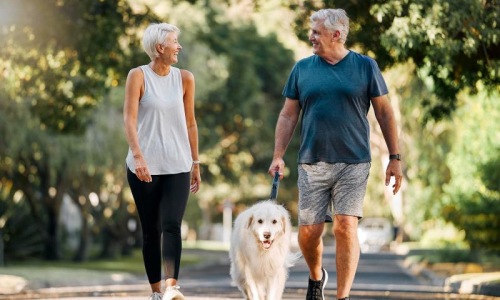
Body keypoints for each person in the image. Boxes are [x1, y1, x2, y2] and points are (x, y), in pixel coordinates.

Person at [268, 8, 403, 300]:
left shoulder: (365, 66)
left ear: (336, 35)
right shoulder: (302, 69)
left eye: (316, 32)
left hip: (354, 161)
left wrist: (395, 158)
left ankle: (343, 296)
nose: (311, 37)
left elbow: (384, 112)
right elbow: (289, 116)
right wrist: (278, 155)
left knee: (345, 226)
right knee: (308, 232)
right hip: (311, 161)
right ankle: (317, 277)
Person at [123, 22, 201, 300]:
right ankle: (156, 292)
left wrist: (196, 163)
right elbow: (129, 120)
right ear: (160, 47)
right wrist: (138, 156)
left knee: (172, 225)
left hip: (177, 165)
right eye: (174, 42)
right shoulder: (138, 76)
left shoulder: (185, 78)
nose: (179, 46)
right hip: (143, 167)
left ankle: (172, 289)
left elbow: (191, 123)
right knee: (151, 230)